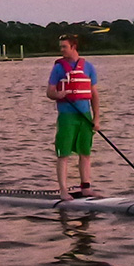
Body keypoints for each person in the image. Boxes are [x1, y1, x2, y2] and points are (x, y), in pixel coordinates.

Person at [45, 33, 99, 198]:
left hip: (85, 116)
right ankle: (63, 190)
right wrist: (58, 95)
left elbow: (94, 95)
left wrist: (96, 118)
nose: (61, 50)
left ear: (73, 47)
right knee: (64, 154)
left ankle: (86, 187)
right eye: (60, 47)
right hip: (67, 116)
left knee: (85, 153)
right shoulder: (58, 68)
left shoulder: (88, 67)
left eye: (64, 47)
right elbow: (50, 92)